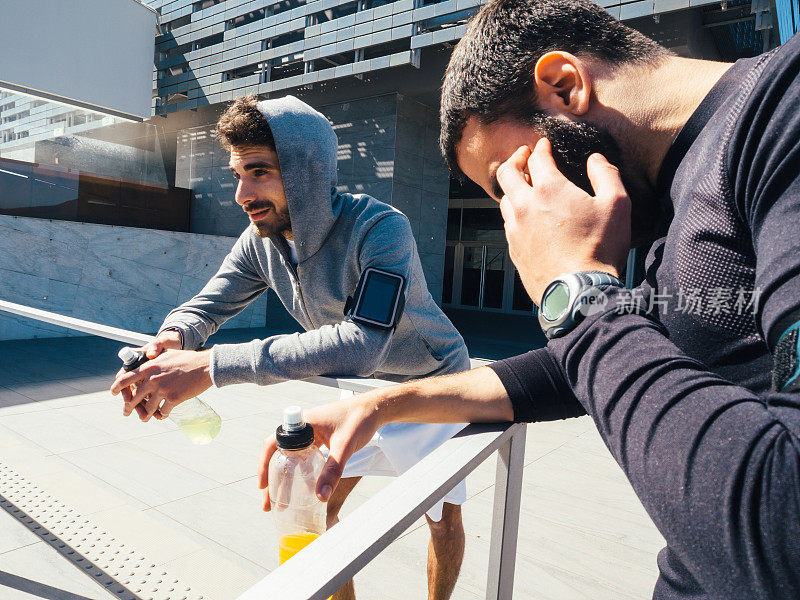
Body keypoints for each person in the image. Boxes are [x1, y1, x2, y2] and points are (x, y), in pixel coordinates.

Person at [258, 1, 800, 598]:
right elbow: (590, 367)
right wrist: (390, 404)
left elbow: (783, 535)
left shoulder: (782, 117)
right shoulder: (667, 204)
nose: (512, 211)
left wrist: (576, 291)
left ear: (564, 86)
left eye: (507, 178)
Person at [109, 95, 471, 600]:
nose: (241, 193)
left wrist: (211, 366)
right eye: (237, 174)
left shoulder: (381, 228)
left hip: (435, 385)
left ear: (308, 171)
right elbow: (207, 306)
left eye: (259, 171)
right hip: (361, 389)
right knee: (317, 511)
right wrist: (173, 337)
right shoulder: (260, 239)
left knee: (440, 517)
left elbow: (363, 341)